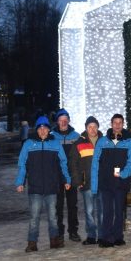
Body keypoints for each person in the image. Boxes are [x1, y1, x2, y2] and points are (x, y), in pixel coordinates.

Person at [16, 116, 72, 252]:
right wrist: (20, 181)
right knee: (34, 217)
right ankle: (32, 243)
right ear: (37, 130)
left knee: (53, 217)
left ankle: (54, 241)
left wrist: (67, 180)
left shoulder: (55, 144)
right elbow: (22, 164)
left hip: (51, 187)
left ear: (48, 130)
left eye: (45, 128)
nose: (43, 131)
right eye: (40, 128)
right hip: (35, 188)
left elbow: (63, 163)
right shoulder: (29, 144)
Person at [91, 113, 131, 248]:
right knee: (107, 210)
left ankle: (118, 236)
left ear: (123, 124)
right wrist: (94, 184)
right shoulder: (102, 141)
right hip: (106, 183)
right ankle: (106, 237)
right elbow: (95, 162)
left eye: (120, 122)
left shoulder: (129, 141)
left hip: (121, 183)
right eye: (115, 123)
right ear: (111, 124)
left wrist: (124, 174)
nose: (117, 125)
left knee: (119, 211)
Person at [70, 116, 103, 245]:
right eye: (90, 127)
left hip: (101, 183)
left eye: (94, 126)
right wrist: (78, 181)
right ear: (86, 128)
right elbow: (73, 163)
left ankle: (102, 235)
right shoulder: (79, 143)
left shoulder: (104, 141)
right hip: (87, 182)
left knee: (102, 211)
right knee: (89, 211)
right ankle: (91, 235)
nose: (92, 129)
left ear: (98, 127)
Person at [51, 108, 81, 242]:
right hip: (57, 176)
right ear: (57, 121)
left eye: (65, 120)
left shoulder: (76, 136)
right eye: (60, 120)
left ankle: (73, 231)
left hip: (72, 175)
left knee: (72, 205)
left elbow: (80, 157)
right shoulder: (51, 136)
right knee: (58, 205)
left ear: (69, 120)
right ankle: (59, 231)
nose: (63, 122)